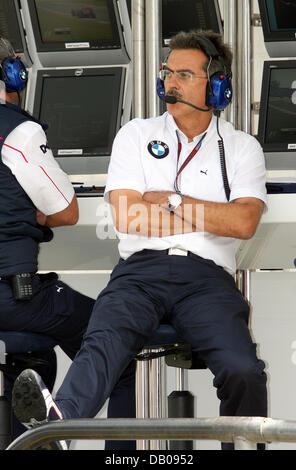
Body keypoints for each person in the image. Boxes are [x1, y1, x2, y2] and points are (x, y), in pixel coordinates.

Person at [12, 30, 268, 450]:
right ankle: (55, 428)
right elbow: (129, 217)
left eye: (184, 74)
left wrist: (170, 200)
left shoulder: (242, 148)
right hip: (140, 274)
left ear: (217, 83)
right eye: (168, 72)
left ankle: (243, 444)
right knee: (102, 344)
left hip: (207, 280)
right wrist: (207, 218)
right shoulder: (135, 133)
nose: (171, 82)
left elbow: (243, 223)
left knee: (244, 369)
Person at [0, 38, 135, 450]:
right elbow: (67, 211)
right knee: (118, 348)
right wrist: (28, 208)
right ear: (12, 73)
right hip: (13, 295)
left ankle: (28, 442)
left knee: (36, 355)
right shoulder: (18, 130)